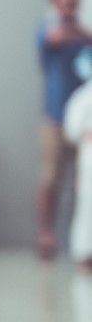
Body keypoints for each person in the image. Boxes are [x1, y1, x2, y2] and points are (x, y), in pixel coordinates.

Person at [37, 0, 92, 259]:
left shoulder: (84, 37)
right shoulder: (48, 30)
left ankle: (79, 242)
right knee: (50, 178)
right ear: (55, 2)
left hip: (84, 122)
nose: (69, 4)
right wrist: (79, 31)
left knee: (82, 182)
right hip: (55, 118)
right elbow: (54, 38)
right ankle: (46, 235)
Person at [65, 73, 92, 272]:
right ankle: (84, 253)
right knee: (87, 206)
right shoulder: (84, 96)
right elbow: (72, 130)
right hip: (89, 157)